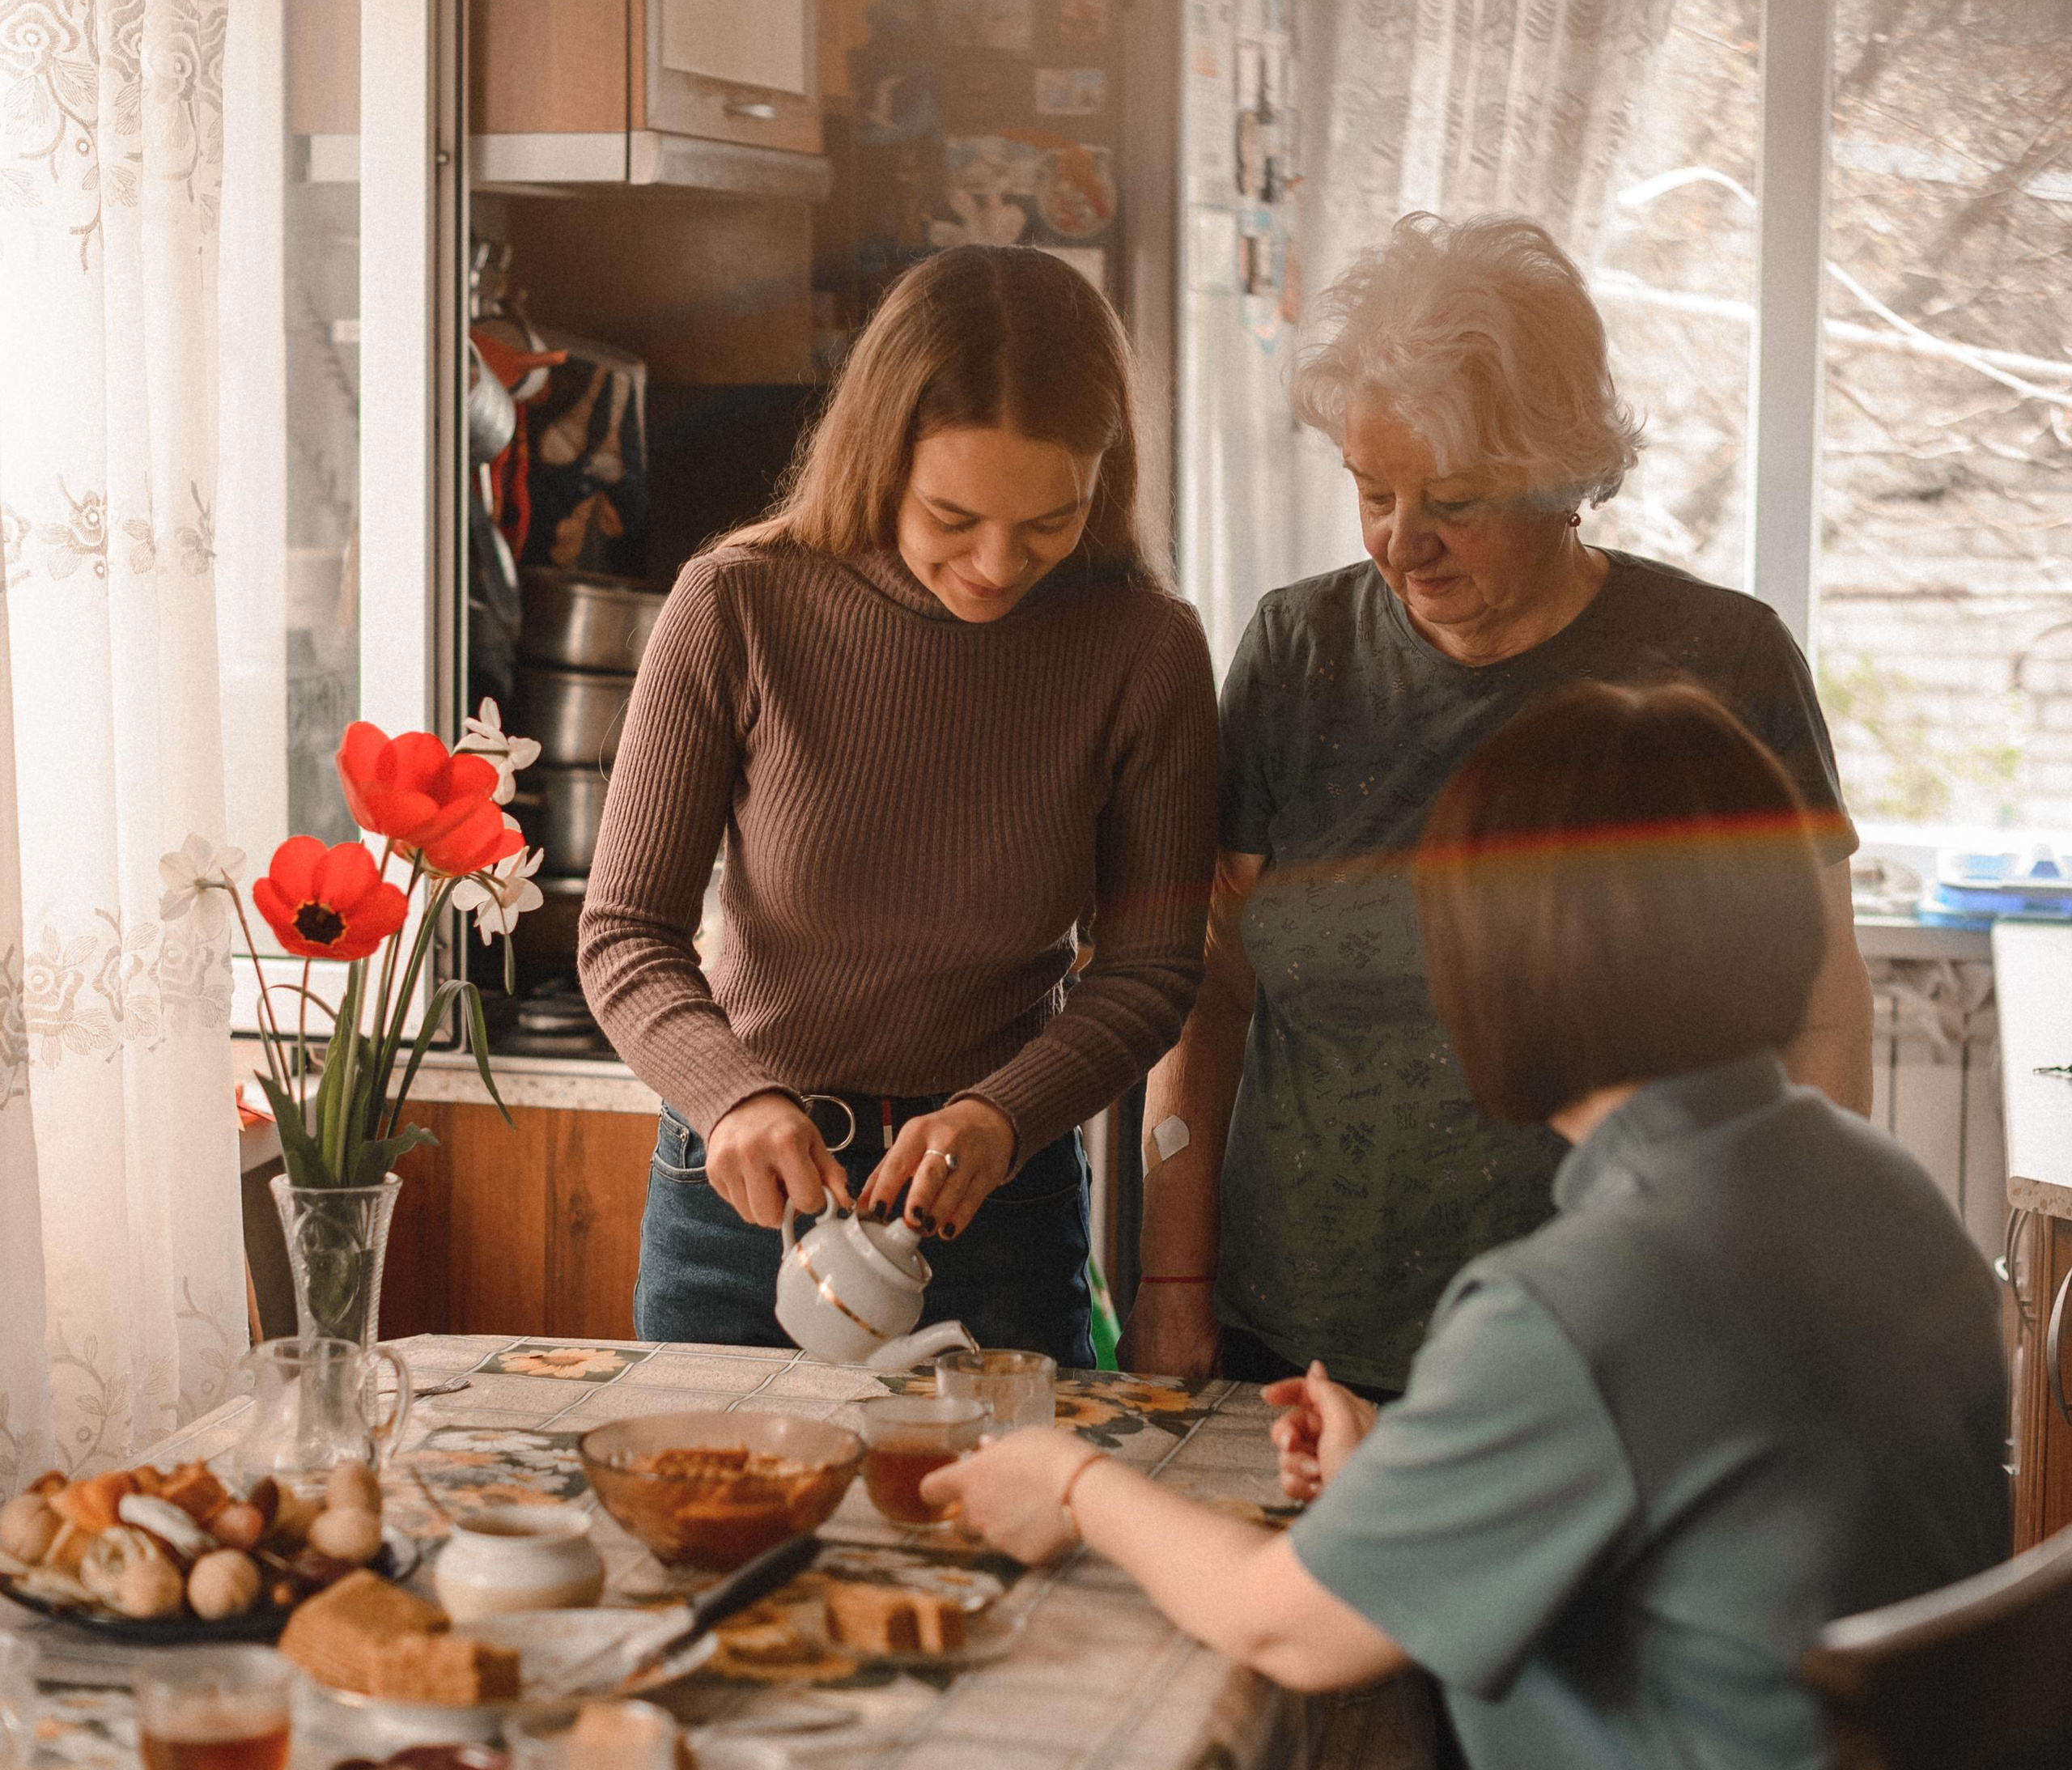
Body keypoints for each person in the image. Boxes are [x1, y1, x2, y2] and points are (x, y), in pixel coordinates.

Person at [936, 682, 2008, 1770]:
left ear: (1516, 969)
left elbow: (1284, 1627)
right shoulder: (1889, 1190)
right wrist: (1419, 1478)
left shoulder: (1575, 1306)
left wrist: (1070, 1483)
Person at [1126, 211, 1875, 1398]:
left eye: (1456, 500)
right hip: (1298, 1347)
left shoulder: (1721, 666)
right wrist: (1172, 1280)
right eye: (1372, 490)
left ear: (1565, 478)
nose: (1401, 543)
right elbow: (1212, 991)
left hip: (1618, 1345)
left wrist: (1786, 1298)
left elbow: (1822, 1017)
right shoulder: (1297, 652)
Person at [578, 245, 1218, 1368]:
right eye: (952, 515)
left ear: (1104, 480)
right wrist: (733, 1099)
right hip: (744, 1200)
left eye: (1051, 520)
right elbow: (625, 933)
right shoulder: (737, 604)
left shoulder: (1144, 649)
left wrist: (1005, 1115)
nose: (997, 564)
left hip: (995, 1205)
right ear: (879, 457)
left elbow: (1152, 969)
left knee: (1007, 1492)